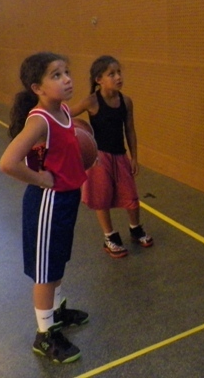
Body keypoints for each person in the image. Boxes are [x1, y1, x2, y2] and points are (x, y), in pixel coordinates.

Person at [0, 52, 89, 364]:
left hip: (66, 198)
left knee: (58, 259)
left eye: (66, 72)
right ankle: (45, 334)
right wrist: (40, 178)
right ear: (37, 88)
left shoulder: (62, 109)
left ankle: (57, 311)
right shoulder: (40, 120)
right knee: (45, 270)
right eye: (56, 75)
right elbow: (8, 163)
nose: (67, 79)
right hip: (47, 203)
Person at [70, 55, 153, 258]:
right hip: (98, 159)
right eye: (111, 74)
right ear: (99, 79)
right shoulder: (91, 101)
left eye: (119, 73)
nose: (118, 77)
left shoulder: (126, 101)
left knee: (131, 196)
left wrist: (134, 157)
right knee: (102, 197)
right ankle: (110, 236)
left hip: (120, 156)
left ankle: (135, 228)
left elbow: (130, 130)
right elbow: (67, 116)